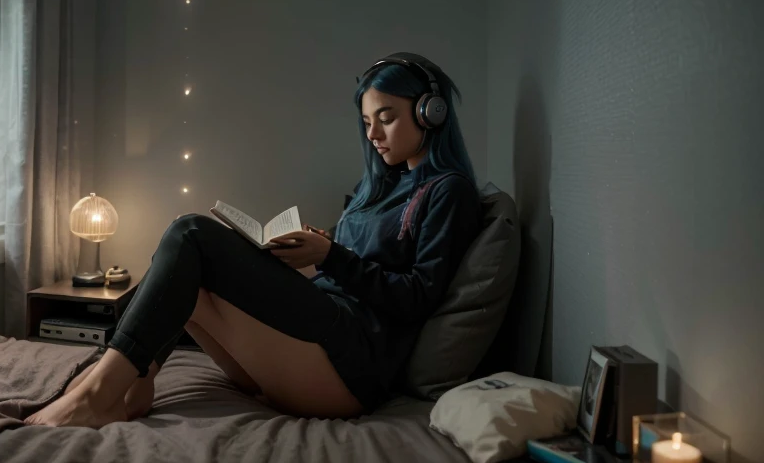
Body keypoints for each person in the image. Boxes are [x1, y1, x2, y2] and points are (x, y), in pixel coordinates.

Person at [25, 52, 482, 428]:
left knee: (191, 232)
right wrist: (317, 247)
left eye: (386, 118)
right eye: (366, 122)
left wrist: (333, 257)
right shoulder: (378, 188)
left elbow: (419, 297)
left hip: (349, 367)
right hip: (311, 340)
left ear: (430, 113)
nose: (373, 134)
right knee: (189, 282)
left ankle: (96, 393)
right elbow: (362, 257)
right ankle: (135, 381)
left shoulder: (448, 190)